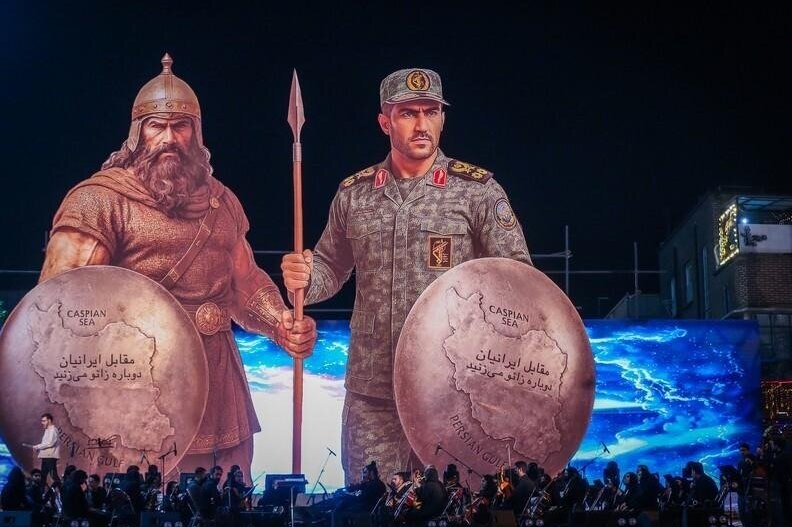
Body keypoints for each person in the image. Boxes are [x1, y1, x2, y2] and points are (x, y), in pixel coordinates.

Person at [41, 54, 317, 475]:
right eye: (157, 125)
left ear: (196, 132)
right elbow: (59, 309)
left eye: (181, 126)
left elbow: (244, 283)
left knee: (227, 495)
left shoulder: (221, 202)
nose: (169, 138)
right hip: (138, 387)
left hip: (217, 383)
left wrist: (281, 322)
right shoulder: (99, 202)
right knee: (140, 500)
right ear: (138, 132)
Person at [282, 67, 530, 477]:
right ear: (385, 122)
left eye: (431, 112)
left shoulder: (477, 192)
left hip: (453, 390)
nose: (421, 124)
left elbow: (518, 280)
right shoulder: (355, 195)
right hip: (373, 394)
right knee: (369, 503)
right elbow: (330, 267)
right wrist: (304, 278)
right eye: (408, 113)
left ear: (443, 118)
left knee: (455, 506)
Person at [29, 413, 60, 486]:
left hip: (50, 457)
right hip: (46, 456)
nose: (42, 423)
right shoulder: (47, 430)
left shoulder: (53, 430)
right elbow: (46, 444)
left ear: (49, 421)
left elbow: (50, 443)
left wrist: (38, 447)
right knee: (43, 476)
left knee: (53, 475)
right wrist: (38, 448)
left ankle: (62, 490)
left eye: (44, 421)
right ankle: (42, 491)